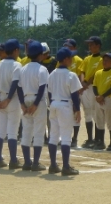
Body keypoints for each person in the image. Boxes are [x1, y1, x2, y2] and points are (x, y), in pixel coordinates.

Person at [47, 47, 81, 176]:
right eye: (70, 57)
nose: (72, 59)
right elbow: (74, 95)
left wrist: (52, 105)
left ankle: (53, 165)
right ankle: (66, 167)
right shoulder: (71, 75)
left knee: (53, 136)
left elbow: (49, 93)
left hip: (54, 104)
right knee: (66, 137)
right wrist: (77, 110)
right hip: (65, 105)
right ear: (66, 59)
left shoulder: (52, 74)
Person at [17, 40, 49, 171]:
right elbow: (42, 88)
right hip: (38, 101)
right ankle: (35, 163)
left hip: (25, 99)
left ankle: (26, 162)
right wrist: (36, 104)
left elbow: (19, 88)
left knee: (26, 131)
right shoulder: (42, 69)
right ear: (40, 55)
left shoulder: (23, 69)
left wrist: (23, 104)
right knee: (39, 132)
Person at [0, 39, 23, 169]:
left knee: (0, 131)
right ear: (15, 51)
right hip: (13, 100)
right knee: (12, 132)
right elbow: (15, 84)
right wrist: (9, 99)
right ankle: (13, 160)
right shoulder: (17, 65)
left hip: (1, 98)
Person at [79, 36, 104, 148]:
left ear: (98, 46)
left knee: (96, 113)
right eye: (89, 45)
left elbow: (96, 74)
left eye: (92, 44)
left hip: (94, 88)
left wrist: (86, 83)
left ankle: (98, 139)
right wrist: (82, 82)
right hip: (85, 88)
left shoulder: (102, 59)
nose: (89, 46)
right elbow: (82, 71)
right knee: (87, 112)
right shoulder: (87, 59)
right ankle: (90, 139)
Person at [60, 39, 84, 147]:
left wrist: (79, 90)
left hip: (74, 90)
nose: (67, 48)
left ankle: (75, 137)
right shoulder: (61, 59)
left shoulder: (78, 60)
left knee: (75, 114)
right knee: (64, 115)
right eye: (65, 46)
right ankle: (65, 137)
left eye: (69, 46)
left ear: (74, 48)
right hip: (64, 91)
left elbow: (80, 75)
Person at [92, 53, 111, 151]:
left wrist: (103, 96)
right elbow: (94, 86)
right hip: (99, 99)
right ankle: (101, 142)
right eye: (104, 60)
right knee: (99, 121)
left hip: (109, 99)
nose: (104, 62)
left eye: (107, 60)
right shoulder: (98, 73)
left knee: (110, 121)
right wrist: (98, 96)